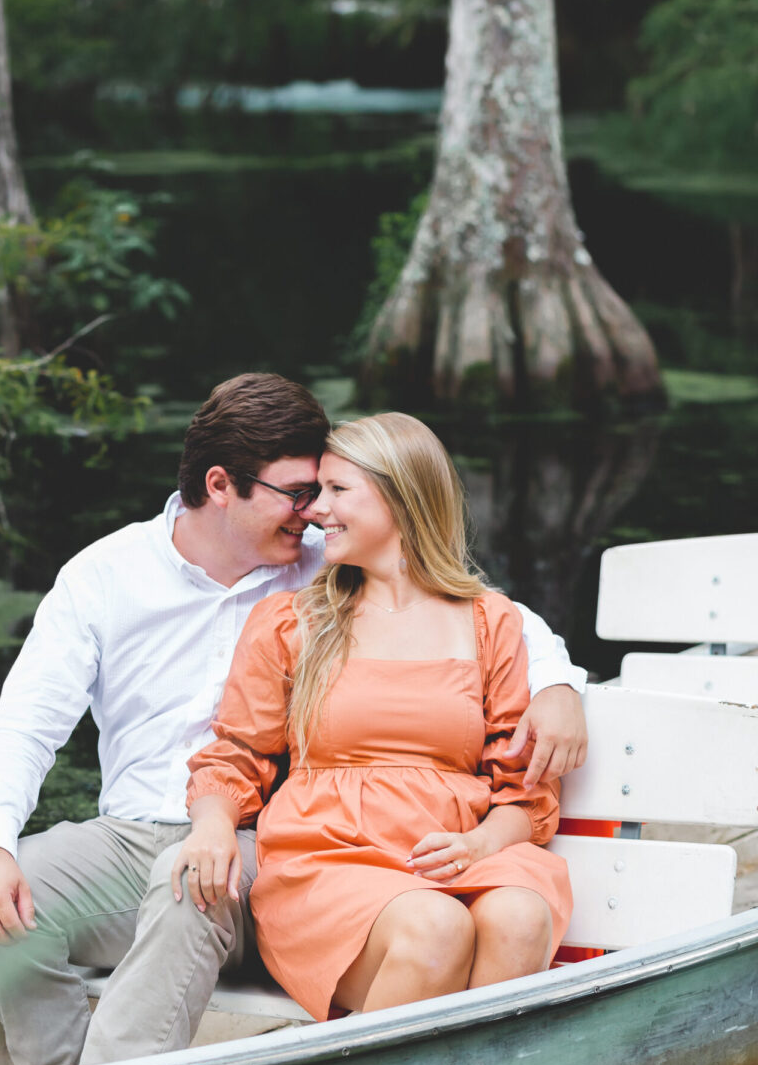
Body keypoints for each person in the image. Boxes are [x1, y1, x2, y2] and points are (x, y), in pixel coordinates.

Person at [0, 377, 586, 1065]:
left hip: (271, 844)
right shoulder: (106, 576)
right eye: (297, 493)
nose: (312, 512)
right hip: (143, 833)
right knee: (6, 899)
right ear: (222, 485)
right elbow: (24, 726)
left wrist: (558, 683)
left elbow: (477, 608)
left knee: (188, 882)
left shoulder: (328, 564)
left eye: (326, 491)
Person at [175, 413, 573, 1021]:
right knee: (435, 926)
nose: (314, 511)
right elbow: (237, 756)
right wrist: (212, 826)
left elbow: (521, 790)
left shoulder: (489, 621)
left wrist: (478, 843)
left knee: (519, 916)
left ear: (400, 494)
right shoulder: (294, 621)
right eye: (314, 493)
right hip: (333, 857)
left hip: (461, 847)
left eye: (337, 491)